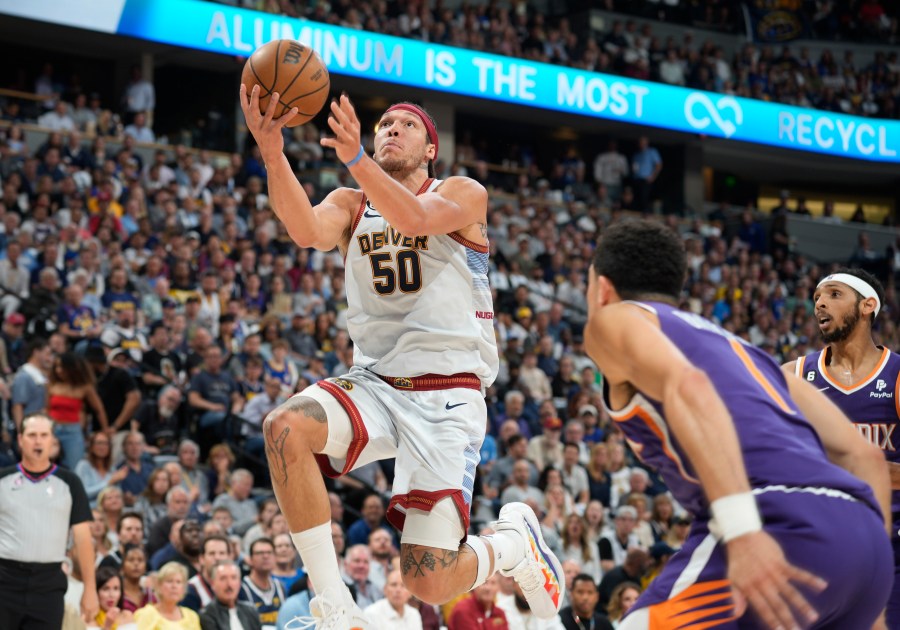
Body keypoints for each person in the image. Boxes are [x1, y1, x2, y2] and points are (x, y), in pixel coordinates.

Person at [240, 86, 562, 628]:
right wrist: (272, 149)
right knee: (283, 428)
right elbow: (303, 229)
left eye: (405, 125)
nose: (390, 129)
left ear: (430, 148)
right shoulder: (350, 203)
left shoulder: (462, 193)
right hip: (375, 383)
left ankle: (513, 544)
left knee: (428, 582)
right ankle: (334, 608)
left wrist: (355, 158)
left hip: (448, 395)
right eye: (383, 124)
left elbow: (413, 219)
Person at [584, 219, 892, 629]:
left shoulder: (613, 319)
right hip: (867, 544)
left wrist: (742, 531)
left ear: (602, 288)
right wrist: (875, 587)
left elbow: (690, 386)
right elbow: (863, 454)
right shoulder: (745, 350)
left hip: (780, 521)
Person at [783, 267, 900, 629]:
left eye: (834, 294)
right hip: (818, 540)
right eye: (817, 296)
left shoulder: (896, 376)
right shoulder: (794, 376)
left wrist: (852, 467)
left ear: (867, 306)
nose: (820, 302)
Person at [0, 414, 99, 627]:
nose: (38, 441)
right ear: (20, 440)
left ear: (52, 440)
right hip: (4, 580)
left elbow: (83, 540)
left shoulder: (70, 482)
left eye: (44, 435)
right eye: (32, 435)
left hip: (48, 584)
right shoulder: (2, 480)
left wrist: (90, 590)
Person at [48, 351, 109, 469]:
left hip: (72, 431)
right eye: (56, 366)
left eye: (62, 367)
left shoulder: (84, 387)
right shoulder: (52, 385)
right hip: (53, 429)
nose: (58, 370)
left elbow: (99, 409)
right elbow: (47, 409)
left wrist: (105, 430)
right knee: (47, 466)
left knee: (75, 467)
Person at [134, 561, 201, 629]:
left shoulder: (192, 616)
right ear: (159, 585)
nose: (174, 586)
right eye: (169, 581)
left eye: (178, 582)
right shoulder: (146, 614)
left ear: (184, 588)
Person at [199, 560, 261, 630]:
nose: (229, 584)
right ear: (213, 584)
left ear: (240, 582)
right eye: (223, 578)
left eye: (233, 578)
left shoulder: (251, 610)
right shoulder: (207, 615)